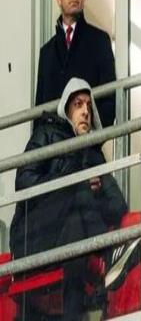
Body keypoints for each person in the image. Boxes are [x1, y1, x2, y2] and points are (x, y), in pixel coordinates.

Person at [10, 78, 128, 320]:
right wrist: (72, 182)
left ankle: (76, 312)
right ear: (66, 109)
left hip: (73, 236)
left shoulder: (93, 155)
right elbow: (23, 181)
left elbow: (118, 206)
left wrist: (96, 192)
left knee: (76, 218)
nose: (85, 111)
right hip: (34, 235)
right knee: (77, 192)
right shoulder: (47, 134)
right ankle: (111, 256)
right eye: (78, 104)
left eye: (89, 106)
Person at [35, 0, 116, 128]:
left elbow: (109, 101)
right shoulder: (47, 53)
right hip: (54, 140)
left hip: (87, 138)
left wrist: (92, 132)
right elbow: (39, 111)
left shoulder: (100, 41)